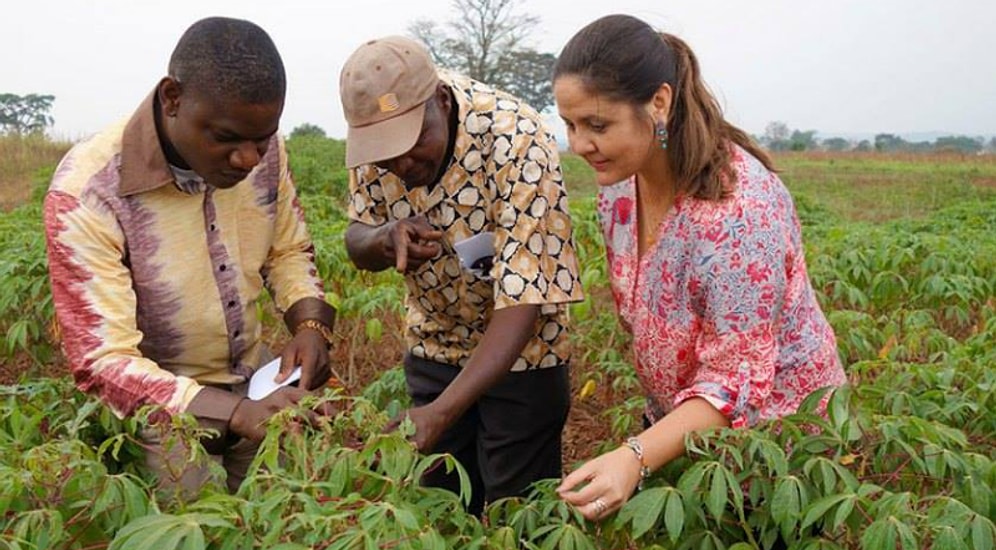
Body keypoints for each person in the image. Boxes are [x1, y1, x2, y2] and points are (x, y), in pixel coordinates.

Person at [553, 14, 847, 522]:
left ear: (659, 103)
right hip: (687, 431)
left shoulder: (737, 213)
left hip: (780, 449)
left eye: (597, 125)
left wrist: (635, 456)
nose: (580, 145)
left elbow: (736, 382)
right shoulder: (620, 189)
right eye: (570, 125)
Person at [43, 17, 337, 496]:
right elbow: (104, 359)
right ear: (172, 99)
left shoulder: (266, 153)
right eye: (226, 138)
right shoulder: (88, 191)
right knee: (197, 532)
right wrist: (233, 413)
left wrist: (310, 325)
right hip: (160, 406)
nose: (247, 159)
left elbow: (289, 250)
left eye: (261, 139)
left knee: (281, 525)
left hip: (256, 377)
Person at [338, 36, 584, 515]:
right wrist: (384, 238)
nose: (401, 165)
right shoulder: (377, 148)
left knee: (519, 518)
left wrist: (442, 413)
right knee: (442, 514)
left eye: (411, 146)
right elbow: (356, 237)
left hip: (525, 355)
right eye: (386, 156)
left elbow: (524, 299)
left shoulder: (517, 137)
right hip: (436, 345)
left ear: (441, 102)